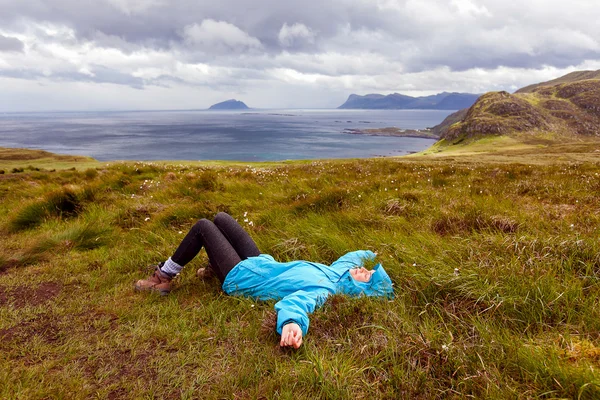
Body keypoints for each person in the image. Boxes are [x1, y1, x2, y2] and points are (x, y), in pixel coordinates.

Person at [135, 212, 393, 348]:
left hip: (244, 277)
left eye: (368, 276)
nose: (364, 270)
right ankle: (214, 267)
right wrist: (374, 252)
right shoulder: (338, 272)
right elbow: (350, 258)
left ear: (361, 291)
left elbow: (298, 304)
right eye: (369, 269)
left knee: (203, 226)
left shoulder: (325, 290)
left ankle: (164, 276)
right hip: (262, 262)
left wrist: (292, 325)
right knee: (221, 218)